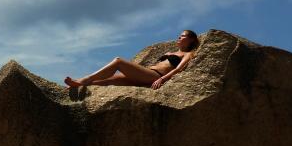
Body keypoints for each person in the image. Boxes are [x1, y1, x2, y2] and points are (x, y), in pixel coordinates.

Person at [64, 30, 200, 90]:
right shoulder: (170, 52)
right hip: (146, 74)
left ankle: (85, 79)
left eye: (183, 36)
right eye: (179, 35)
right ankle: (78, 86)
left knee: (118, 61)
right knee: (110, 80)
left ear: (191, 40)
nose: (179, 37)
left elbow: (178, 69)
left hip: (155, 76)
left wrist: (162, 79)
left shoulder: (188, 54)